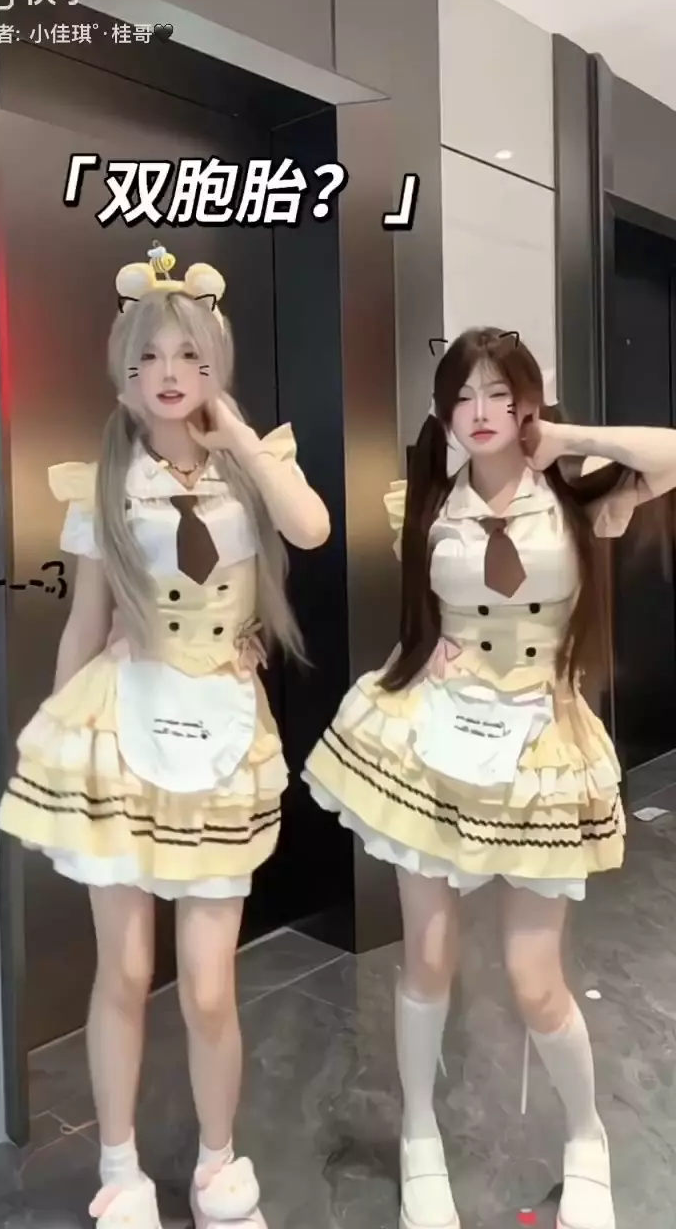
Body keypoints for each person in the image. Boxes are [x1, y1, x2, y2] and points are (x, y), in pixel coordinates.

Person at [303, 327, 676, 1229]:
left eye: (499, 393)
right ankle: (419, 1135)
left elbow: (669, 455)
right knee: (427, 957)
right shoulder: (424, 504)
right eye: (463, 395)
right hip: (438, 736)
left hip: (539, 748)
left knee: (534, 976)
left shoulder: (580, 499)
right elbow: (423, 619)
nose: (480, 411)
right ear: (443, 412)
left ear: (527, 404)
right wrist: (433, 656)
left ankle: (586, 1136)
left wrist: (568, 439)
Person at [0, 243, 330, 1229]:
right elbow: (83, 621)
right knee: (127, 969)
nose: (168, 373)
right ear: (124, 375)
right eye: (147, 358)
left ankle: (219, 1161)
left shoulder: (251, 469)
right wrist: (54, 745)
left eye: (187, 354)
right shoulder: (104, 482)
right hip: (123, 723)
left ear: (215, 365)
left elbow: (312, 529)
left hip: (222, 730)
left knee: (212, 984)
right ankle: (120, 1167)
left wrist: (240, 439)